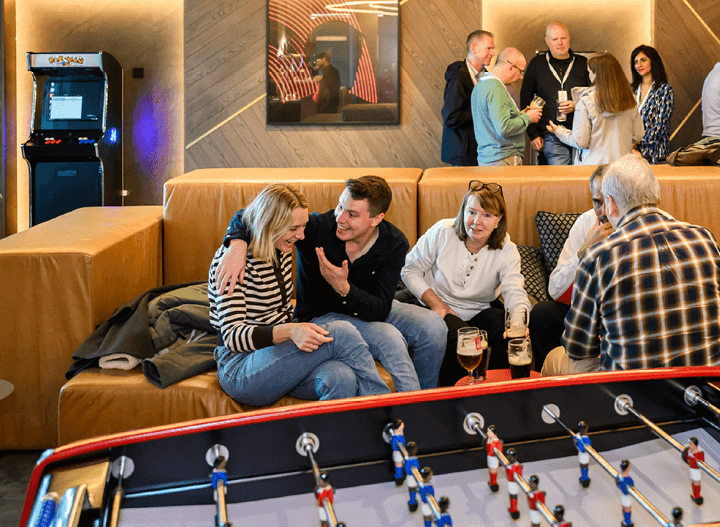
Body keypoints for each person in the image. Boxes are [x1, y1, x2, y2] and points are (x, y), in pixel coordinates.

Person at [215, 176, 446, 391]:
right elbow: (254, 214)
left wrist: (344, 288)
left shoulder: (393, 243)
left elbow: (380, 308)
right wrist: (236, 244)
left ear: (376, 219)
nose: (341, 219)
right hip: (319, 315)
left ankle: (422, 404)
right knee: (386, 336)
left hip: (364, 309)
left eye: (352, 214)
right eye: (339, 207)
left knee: (434, 327)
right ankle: (390, 413)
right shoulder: (312, 230)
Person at [542, 155, 720, 375]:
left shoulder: (598, 256)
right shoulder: (706, 239)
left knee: (555, 358)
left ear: (610, 204)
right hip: (708, 386)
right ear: (655, 194)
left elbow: (578, 348)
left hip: (633, 395)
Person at [207, 184, 388, 406]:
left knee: (342, 377)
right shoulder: (232, 261)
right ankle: (385, 412)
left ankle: (325, 440)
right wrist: (291, 331)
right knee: (341, 332)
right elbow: (233, 337)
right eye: (294, 228)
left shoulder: (280, 246)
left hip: (277, 357)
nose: (301, 235)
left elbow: (250, 214)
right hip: (240, 368)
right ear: (270, 223)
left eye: (302, 227)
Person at [402, 180, 532, 385]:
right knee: (462, 337)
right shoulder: (443, 232)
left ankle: (498, 393)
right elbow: (409, 270)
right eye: (471, 212)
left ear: (499, 220)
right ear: (463, 212)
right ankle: (454, 401)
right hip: (439, 307)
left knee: (504, 330)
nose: (476, 221)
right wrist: (437, 304)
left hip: (480, 310)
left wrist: (518, 323)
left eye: (487, 215)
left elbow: (514, 290)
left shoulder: (507, 249)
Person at [528, 164, 610, 364]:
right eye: (597, 202)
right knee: (542, 315)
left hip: (625, 311)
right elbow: (555, 289)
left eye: (609, 200)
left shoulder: (642, 222)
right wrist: (584, 252)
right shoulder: (586, 223)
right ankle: (546, 386)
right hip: (588, 311)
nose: (605, 211)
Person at [545, 53, 640, 166]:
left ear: (595, 75)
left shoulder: (585, 101)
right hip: (622, 166)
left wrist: (558, 131)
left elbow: (581, 141)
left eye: (589, 72)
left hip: (593, 168)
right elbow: (637, 135)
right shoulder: (630, 99)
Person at [520, 22, 591, 165]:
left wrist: (576, 104)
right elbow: (525, 98)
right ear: (547, 41)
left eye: (563, 38)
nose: (560, 43)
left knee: (581, 176)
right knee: (563, 179)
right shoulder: (537, 64)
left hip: (580, 132)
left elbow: (594, 95)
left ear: (569, 38)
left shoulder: (582, 63)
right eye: (554, 39)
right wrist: (533, 134)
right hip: (551, 133)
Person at [474, 48, 543, 166]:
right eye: (521, 71)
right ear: (511, 67)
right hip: (502, 159)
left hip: (489, 158)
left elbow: (492, 121)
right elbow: (504, 128)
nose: (521, 77)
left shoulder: (481, 85)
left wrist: (519, 115)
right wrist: (527, 117)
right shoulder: (496, 88)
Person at [441, 30, 496, 166]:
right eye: (489, 48)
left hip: (482, 153)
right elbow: (451, 117)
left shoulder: (486, 77)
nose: (493, 53)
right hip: (464, 155)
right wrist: (483, 111)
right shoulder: (458, 77)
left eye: (493, 49)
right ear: (473, 48)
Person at [631, 45, 674, 164]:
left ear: (653, 61)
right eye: (636, 62)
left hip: (655, 154)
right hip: (631, 153)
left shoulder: (664, 90)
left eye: (643, 60)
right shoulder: (631, 90)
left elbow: (659, 127)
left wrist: (634, 143)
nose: (639, 65)